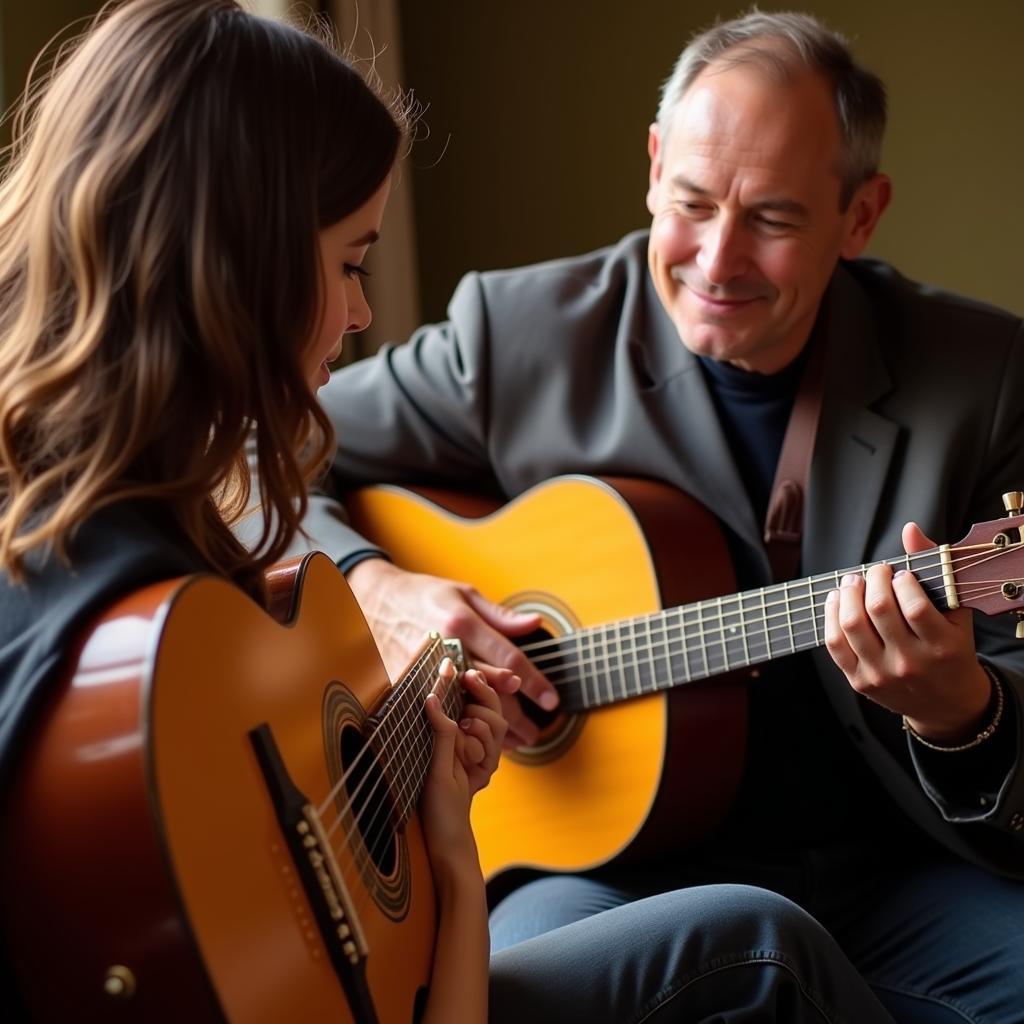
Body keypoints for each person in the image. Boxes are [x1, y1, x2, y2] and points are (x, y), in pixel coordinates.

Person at [286, 10, 1024, 1023]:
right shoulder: (519, 336)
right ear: (651, 166)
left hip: (890, 870)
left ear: (860, 215)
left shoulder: (980, 381)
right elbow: (249, 458)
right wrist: (381, 586)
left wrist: (961, 714)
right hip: (595, 873)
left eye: (771, 219)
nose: (716, 261)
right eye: (690, 204)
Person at [0, 3, 506, 1023]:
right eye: (351, 263)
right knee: (750, 944)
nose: (361, 316)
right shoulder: (140, 625)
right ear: (244, 259)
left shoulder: (89, 530)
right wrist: (451, 857)